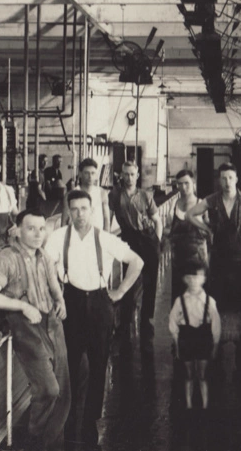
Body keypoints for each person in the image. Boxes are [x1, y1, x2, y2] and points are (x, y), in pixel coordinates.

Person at [44, 190, 144, 449]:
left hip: (100, 304)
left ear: (91, 210)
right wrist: (58, 296)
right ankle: (70, 420)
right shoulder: (57, 238)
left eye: (83, 209)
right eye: (74, 209)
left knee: (99, 366)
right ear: (68, 211)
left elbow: (137, 261)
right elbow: (45, 267)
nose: (79, 214)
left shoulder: (104, 238)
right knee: (71, 367)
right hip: (71, 304)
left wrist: (120, 291)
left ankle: (91, 422)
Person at [0, 209, 70, 451]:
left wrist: (60, 301)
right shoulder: (6, 258)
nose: (38, 234)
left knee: (64, 392)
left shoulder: (44, 256)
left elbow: (54, 285)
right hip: (27, 328)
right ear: (17, 230)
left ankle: (52, 445)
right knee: (49, 390)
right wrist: (21, 306)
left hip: (52, 323)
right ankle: (34, 440)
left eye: (42, 229)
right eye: (31, 228)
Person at [186, 162, 241, 368]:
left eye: (230, 178)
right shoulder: (213, 200)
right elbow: (191, 215)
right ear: (219, 180)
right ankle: (217, 344)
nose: (227, 182)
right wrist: (206, 230)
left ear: (236, 180)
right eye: (223, 178)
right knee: (218, 301)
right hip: (219, 259)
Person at [108, 161, 162, 338]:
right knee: (129, 279)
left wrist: (157, 242)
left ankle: (146, 320)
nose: (129, 178)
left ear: (137, 175)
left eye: (132, 174)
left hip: (148, 237)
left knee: (150, 282)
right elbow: (108, 219)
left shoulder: (146, 195)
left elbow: (157, 221)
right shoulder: (115, 195)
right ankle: (125, 322)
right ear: (121, 175)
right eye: (126, 174)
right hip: (129, 239)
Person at [168, 260, 221, 410]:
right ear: (185, 279)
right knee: (189, 374)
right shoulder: (180, 301)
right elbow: (173, 322)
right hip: (186, 339)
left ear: (204, 279)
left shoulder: (210, 301)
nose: (193, 281)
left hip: (204, 338)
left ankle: (205, 405)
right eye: (190, 278)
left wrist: (215, 344)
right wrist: (177, 343)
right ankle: (189, 405)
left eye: (197, 278)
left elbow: (216, 324)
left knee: (203, 374)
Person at [168, 169, 210, 301]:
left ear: (194, 183)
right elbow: (169, 229)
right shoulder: (174, 205)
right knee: (179, 299)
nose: (183, 187)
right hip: (178, 260)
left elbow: (209, 230)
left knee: (198, 301)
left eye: (186, 183)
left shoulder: (202, 204)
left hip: (197, 261)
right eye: (179, 184)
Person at [62, 158, 110, 232]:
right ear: (80, 174)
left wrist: (106, 239)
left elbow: (106, 220)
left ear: (96, 174)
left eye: (93, 173)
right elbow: (64, 222)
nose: (90, 176)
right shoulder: (70, 195)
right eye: (86, 173)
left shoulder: (102, 193)